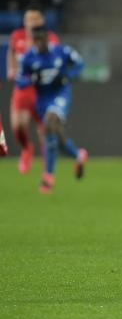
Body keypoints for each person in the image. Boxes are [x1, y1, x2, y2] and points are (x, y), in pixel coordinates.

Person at [16, 25, 88, 194]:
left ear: (47, 38)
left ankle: (48, 177)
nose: (39, 43)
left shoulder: (61, 52)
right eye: (36, 40)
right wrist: (33, 79)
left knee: (50, 122)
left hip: (60, 95)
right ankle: (77, 155)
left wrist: (68, 77)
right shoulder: (28, 58)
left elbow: (79, 63)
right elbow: (19, 81)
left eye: (41, 39)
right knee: (55, 136)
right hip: (42, 100)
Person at [7, 6, 60, 174]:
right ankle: (26, 149)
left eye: (36, 23)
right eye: (29, 23)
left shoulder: (50, 39)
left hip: (41, 89)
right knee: (18, 125)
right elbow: (12, 52)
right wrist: (11, 68)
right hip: (22, 88)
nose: (32, 27)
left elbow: (55, 58)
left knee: (44, 128)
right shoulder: (17, 37)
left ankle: (47, 165)